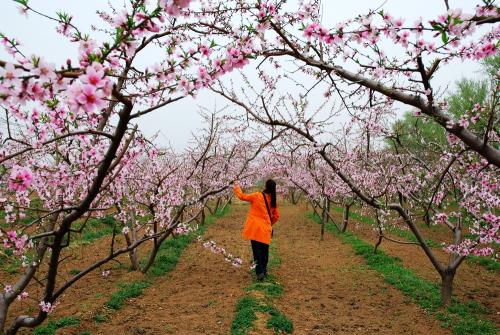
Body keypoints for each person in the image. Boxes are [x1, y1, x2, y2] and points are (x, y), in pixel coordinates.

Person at [233, 179, 280, 280]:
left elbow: (242, 196)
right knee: (264, 252)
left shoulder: (257, 195)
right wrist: (268, 223)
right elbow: (276, 216)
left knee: (257, 252)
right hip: (265, 230)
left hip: (255, 229)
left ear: (265, 186)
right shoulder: (273, 200)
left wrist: (236, 186)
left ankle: (259, 273)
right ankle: (264, 270)